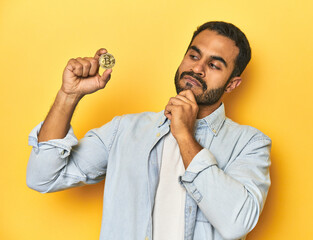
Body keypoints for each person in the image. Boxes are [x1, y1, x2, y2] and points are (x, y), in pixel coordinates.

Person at [27, 21, 272, 240]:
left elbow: (236, 223)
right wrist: (68, 96)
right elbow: (42, 177)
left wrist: (185, 134)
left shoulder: (250, 144)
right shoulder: (124, 130)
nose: (198, 69)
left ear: (232, 83)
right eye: (194, 56)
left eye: (214, 65)